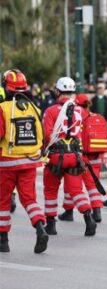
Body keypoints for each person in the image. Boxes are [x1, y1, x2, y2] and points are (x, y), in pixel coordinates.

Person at [0, 69, 48, 254]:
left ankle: (3, 240)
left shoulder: (3, 108)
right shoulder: (34, 108)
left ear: (7, 87)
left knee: (3, 201)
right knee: (29, 199)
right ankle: (40, 228)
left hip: (7, 162)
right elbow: (41, 134)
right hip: (29, 161)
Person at [42, 77, 95, 236]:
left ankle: (51, 225)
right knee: (77, 191)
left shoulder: (51, 111)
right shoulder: (80, 110)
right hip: (74, 156)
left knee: (51, 190)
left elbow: (47, 134)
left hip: (56, 157)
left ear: (57, 91)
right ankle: (88, 218)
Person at [74, 94, 107, 222]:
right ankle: (97, 210)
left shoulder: (78, 118)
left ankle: (69, 210)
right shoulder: (96, 117)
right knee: (94, 185)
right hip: (97, 156)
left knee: (75, 186)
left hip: (84, 156)